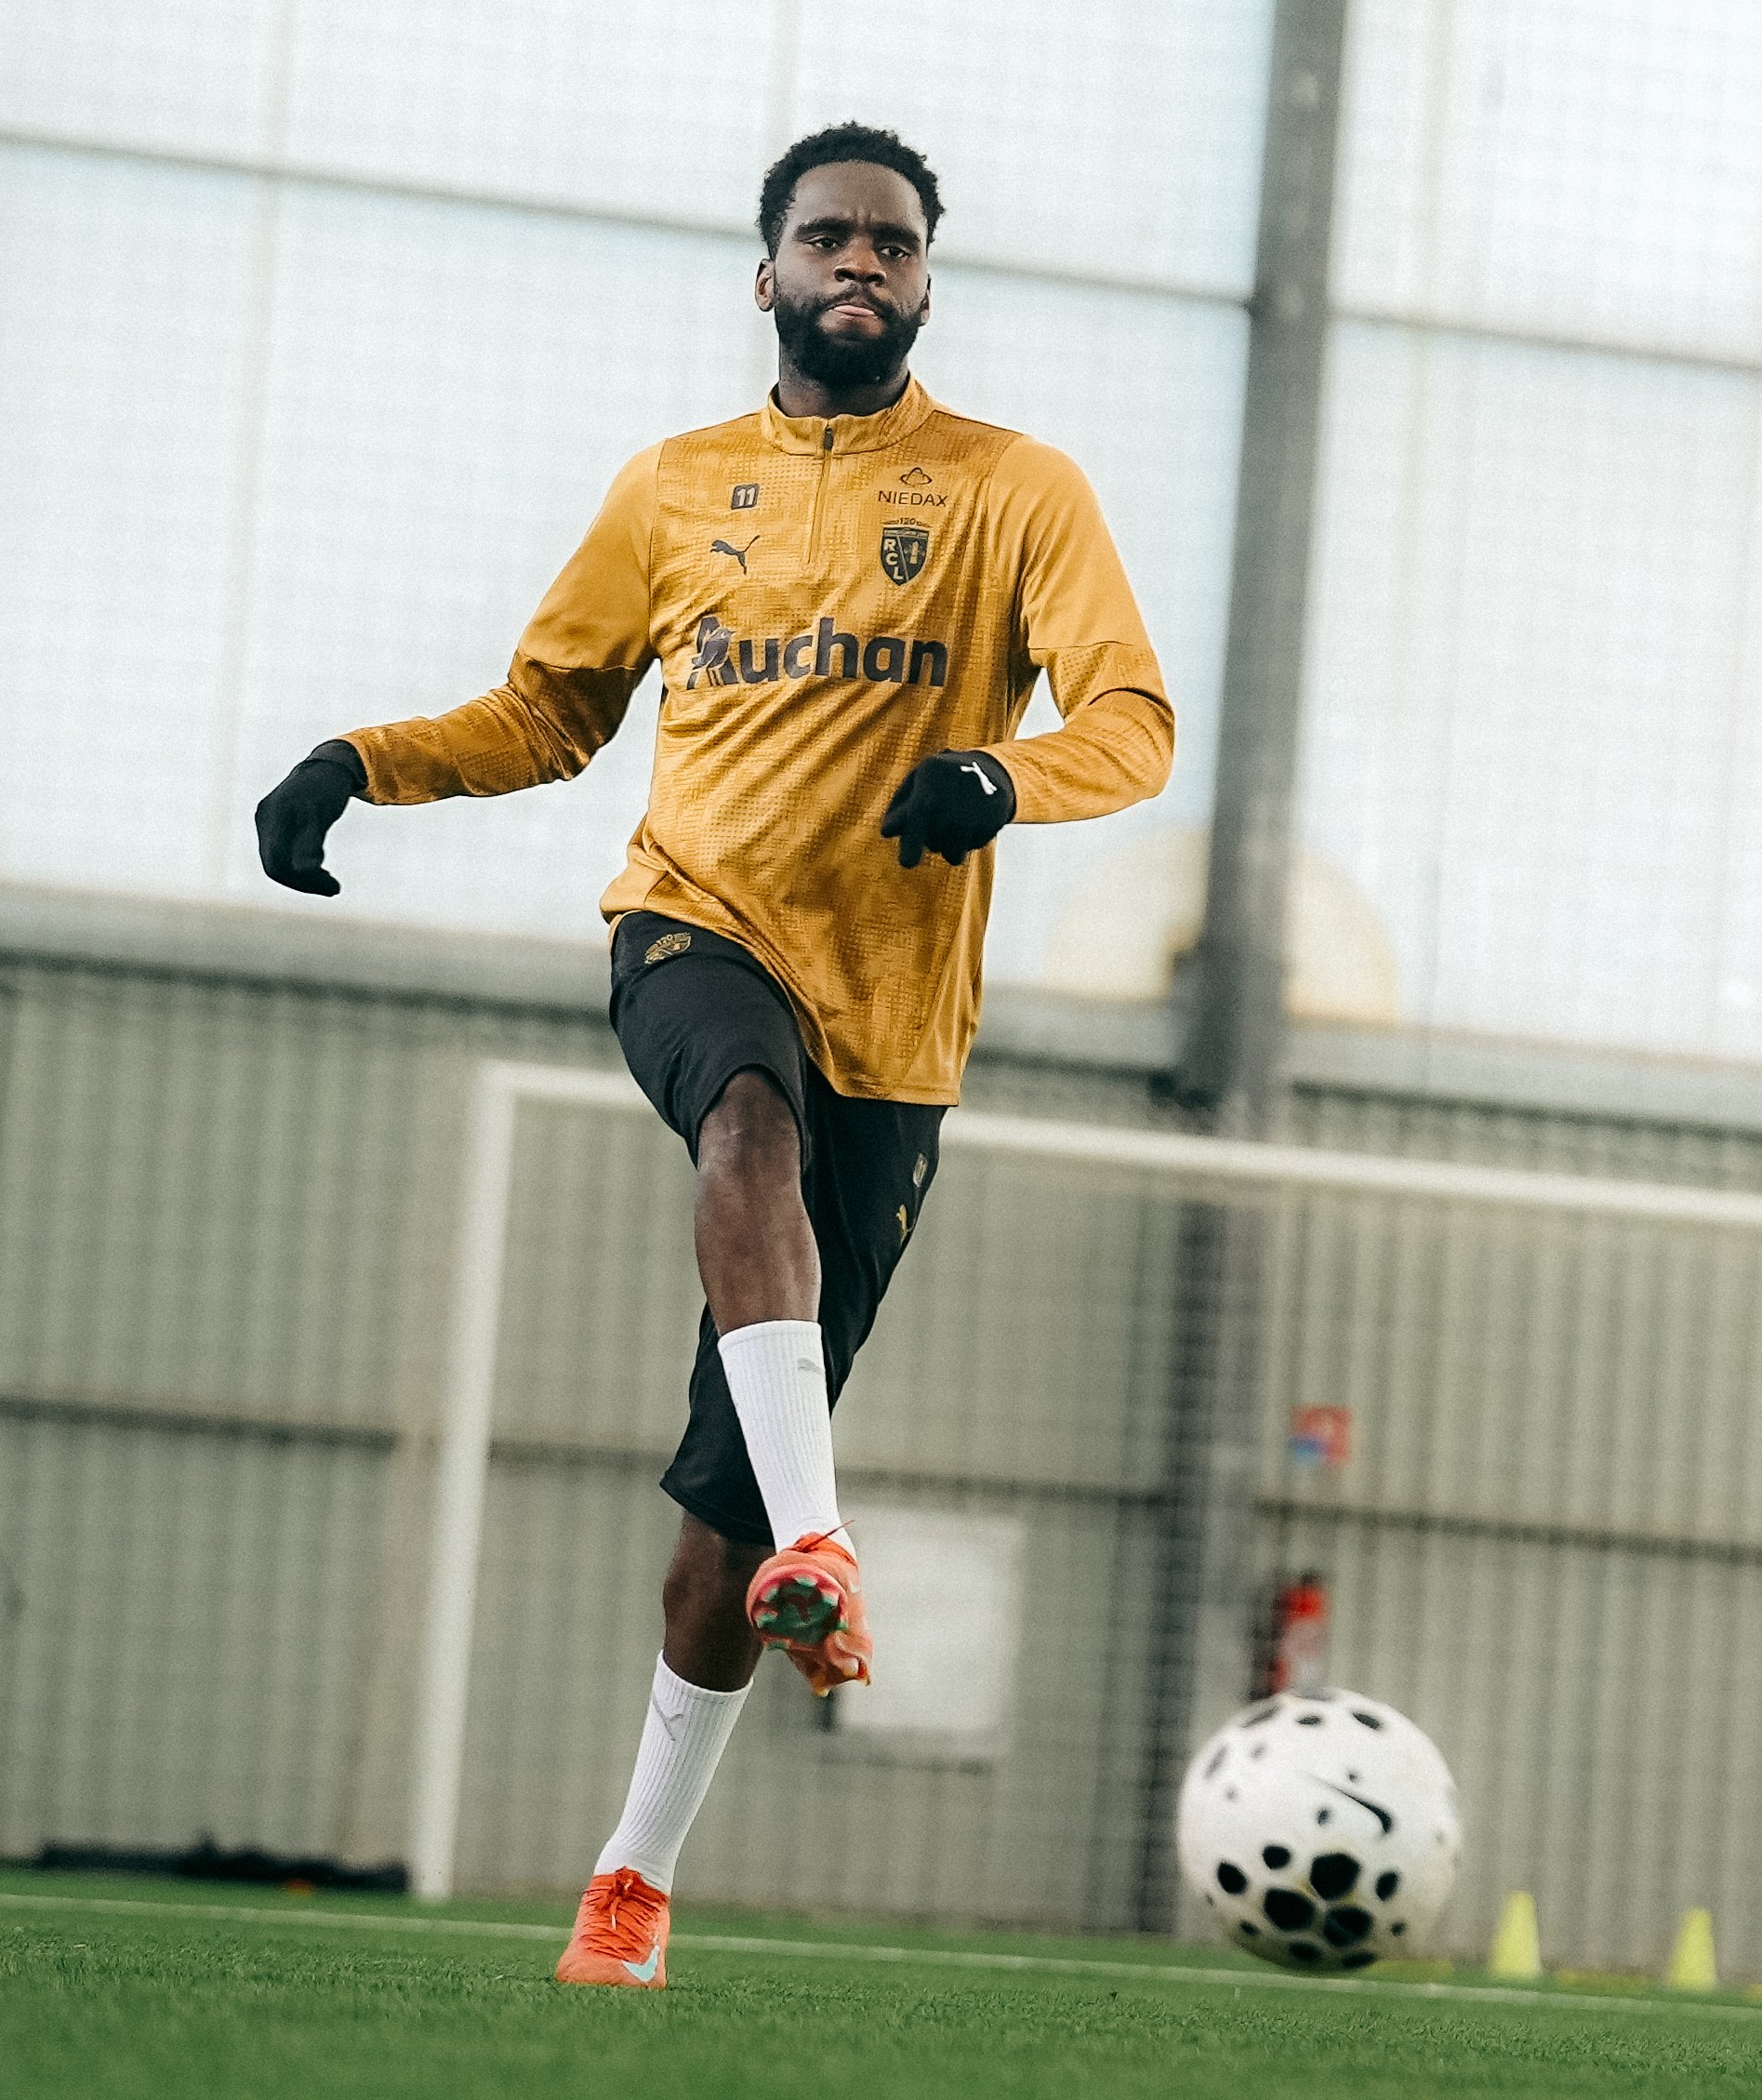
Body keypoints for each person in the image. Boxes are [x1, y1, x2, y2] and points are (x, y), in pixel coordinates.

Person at [248, 124, 1173, 1990]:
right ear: (766, 274)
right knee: (736, 1127)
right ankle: (827, 1544)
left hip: (896, 1030)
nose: (860, 260)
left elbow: (1136, 723)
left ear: (924, 280)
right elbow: (547, 710)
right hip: (691, 931)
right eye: (826, 235)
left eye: (891, 242)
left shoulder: (1016, 492)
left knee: (712, 1536)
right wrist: (362, 756)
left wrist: (1002, 775)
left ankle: (634, 1876)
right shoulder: (675, 490)